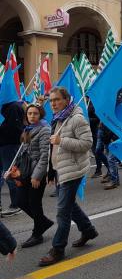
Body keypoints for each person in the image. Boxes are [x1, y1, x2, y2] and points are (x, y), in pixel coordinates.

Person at [39, 87, 98, 266]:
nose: (53, 104)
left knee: (62, 212)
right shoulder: (58, 118)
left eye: (57, 100)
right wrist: (51, 170)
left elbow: (87, 143)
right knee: (70, 205)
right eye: (51, 101)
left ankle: (58, 248)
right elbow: (53, 148)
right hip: (61, 169)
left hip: (73, 170)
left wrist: (62, 141)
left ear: (66, 100)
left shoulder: (77, 119)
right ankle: (88, 230)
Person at [15, 104, 54, 248]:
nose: (32, 116)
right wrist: (15, 168)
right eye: (29, 114)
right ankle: (43, 222)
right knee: (20, 201)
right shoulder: (28, 129)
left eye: (35, 114)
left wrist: (37, 176)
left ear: (41, 115)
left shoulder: (44, 129)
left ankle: (37, 234)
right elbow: (23, 152)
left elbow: (45, 156)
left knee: (34, 203)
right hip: (26, 172)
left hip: (37, 173)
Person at [0, 99, 24, 216]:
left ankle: (16, 204)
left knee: (10, 174)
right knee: (5, 174)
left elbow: (13, 128)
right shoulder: (6, 104)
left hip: (9, 144)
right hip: (4, 144)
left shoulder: (12, 106)